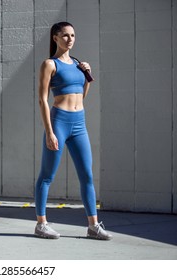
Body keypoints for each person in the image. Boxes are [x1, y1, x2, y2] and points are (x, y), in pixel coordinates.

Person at [34, 22, 112, 240]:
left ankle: (93, 226)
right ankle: (41, 224)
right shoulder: (50, 64)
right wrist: (49, 132)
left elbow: (81, 96)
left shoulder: (78, 63)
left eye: (73, 35)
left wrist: (87, 74)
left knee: (86, 175)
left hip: (79, 123)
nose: (70, 39)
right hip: (59, 122)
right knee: (47, 175)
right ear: (55, 38)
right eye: (65, 35)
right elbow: (42, 100)